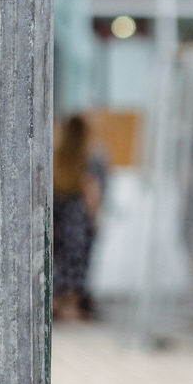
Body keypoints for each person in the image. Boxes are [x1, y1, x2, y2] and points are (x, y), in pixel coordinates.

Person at [52, 111, 108, 322]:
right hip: (78, 222)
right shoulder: (89, 159)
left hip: (59, 220)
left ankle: (56, 303)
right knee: (77, 265)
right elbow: (92, 194)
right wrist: (95, 219)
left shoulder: (57, 157)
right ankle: (71, 306)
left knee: (59, 263)